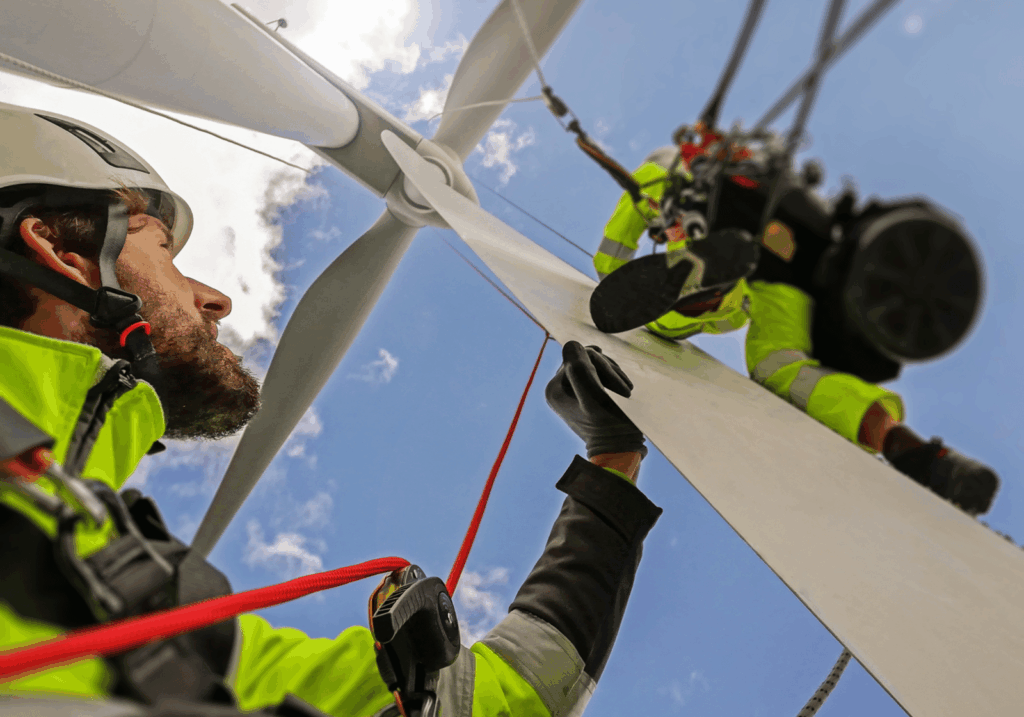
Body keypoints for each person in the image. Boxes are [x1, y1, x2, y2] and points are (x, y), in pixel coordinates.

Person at [0, 102, 662, 715]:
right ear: (61, 253)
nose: (215, 299)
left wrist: (612, 462)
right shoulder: (121, 593)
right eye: (163, 250)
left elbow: (507, 697)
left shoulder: (137, 605)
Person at [592, 143, 999, 517]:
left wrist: (615, 272)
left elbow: (611, 263)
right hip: (791, 254)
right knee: (783, 370)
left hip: (732, 238)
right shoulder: (757, 164)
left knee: (661, 322)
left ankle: (703, 285)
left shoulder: (658, 177)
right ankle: (908, 448)